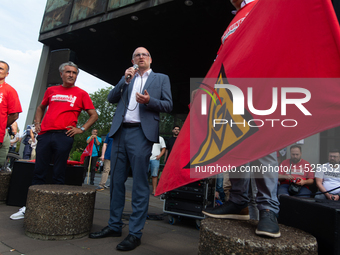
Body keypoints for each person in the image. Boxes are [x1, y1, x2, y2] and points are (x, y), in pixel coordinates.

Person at [201, 0, 281, 238]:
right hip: (232, 91)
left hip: (262, 85)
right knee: (233, 144)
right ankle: (238, 202)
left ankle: (268, 209)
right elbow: (221, 59)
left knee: (263, 147)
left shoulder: (264, 5)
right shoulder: (234, 20)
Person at [89, 47, 173, 251]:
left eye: (144, 54)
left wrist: (149, 101)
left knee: (139, 184)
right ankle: (114, 225)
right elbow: (110, 98)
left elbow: (168, 105)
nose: (141, 57)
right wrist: (125, 80)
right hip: (119, 133)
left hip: (141, 134)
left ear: (151, 59)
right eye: (137, 55)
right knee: (116, 181)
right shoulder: (127, 77)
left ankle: (135, 233)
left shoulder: (161, 78)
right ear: (133, 60)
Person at [10, 61, 98, 220]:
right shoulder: (51, 90)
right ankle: (31, 206)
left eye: (74, 73)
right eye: (68, 72)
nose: (71, 75)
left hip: (64, 135)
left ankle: (54, 208)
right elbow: (40, 107)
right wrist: (37, 123)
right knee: (39, 170)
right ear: (61, 74)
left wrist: (81, 129)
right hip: (45, 134)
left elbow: (94, 114)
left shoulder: (82, 93)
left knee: (58, 172)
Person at [0, 60, 22, 168]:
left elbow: (14, 115)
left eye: (1, 68)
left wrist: (2, 126)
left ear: (7, 74)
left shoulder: (10, 90)